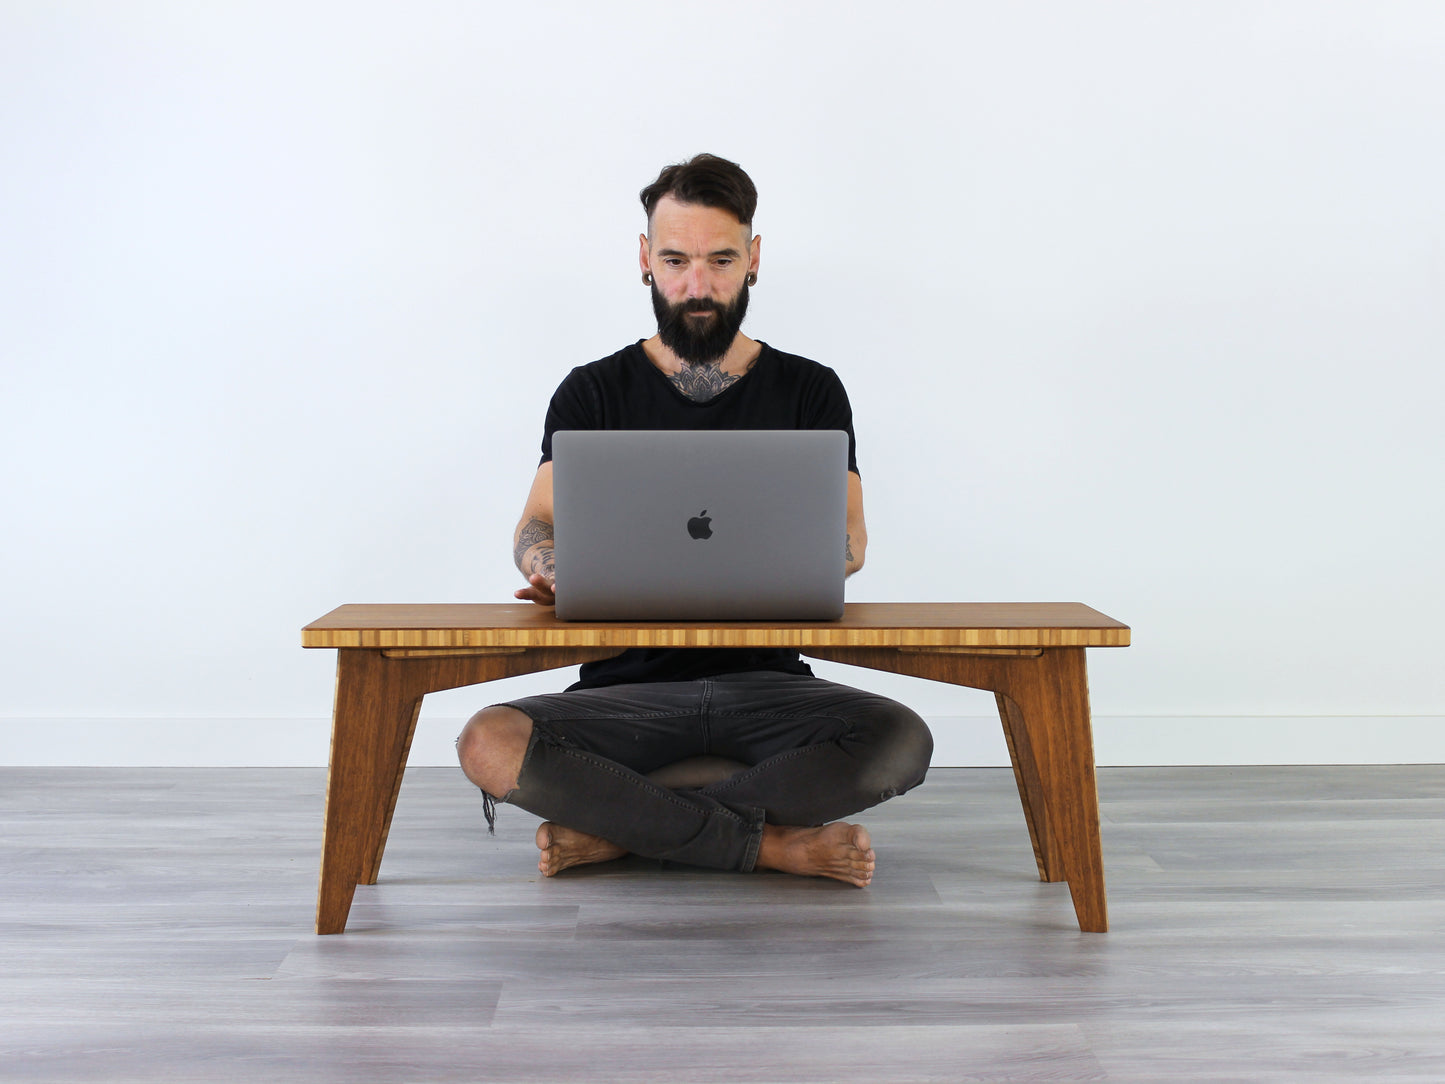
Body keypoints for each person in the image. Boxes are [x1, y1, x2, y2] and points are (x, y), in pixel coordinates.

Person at [456, 154, 932, 887]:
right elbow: (536, 526)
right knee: (487, 741)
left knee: (899, 739)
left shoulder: (809, 390)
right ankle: (770, 845)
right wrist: (550, 567)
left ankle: (629, 829)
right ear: (645, 260)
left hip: (769, 690)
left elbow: (849, 543)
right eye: (675, 260)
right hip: (626, 697)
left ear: (754, 260)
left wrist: (808, 559)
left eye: (720, 260)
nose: (697, 286)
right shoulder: (591, 393)